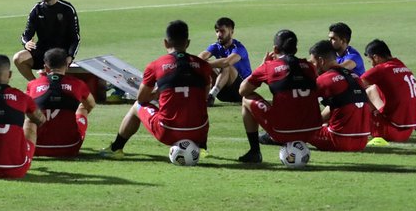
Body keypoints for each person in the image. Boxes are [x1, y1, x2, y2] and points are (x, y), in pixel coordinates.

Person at [104, 20, 211, 158]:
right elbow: (204, 96)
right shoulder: (203, 65)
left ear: (165, 43)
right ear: (188, 43)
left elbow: (141, 98)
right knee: (198, 105)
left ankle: (115, 149)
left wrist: (156, 94)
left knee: (137, 106)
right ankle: (202, 149)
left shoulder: (155, 65)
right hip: (199, 132)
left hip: (168, 132)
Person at [237, 29, 322, 164]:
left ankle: (254, 152)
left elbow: (242, 90)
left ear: (275, 49)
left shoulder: (269, 67)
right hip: (313, 131)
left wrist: (262, 65)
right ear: (295, 49)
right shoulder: (310, 67)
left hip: (283, 131)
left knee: (247, 98)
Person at [26, 47, 95, 157]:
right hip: (70, 147)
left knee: (29, 115)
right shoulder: (78, 84)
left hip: (37, 148)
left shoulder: (33, 84)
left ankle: (25, 151)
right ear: (67, 66)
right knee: (83, 107)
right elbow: (91, 104)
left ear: (45, 68)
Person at [307, 40, 372, 152]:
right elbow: (342, 103)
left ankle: (275, 137)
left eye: (313, 63)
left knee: (298, 127)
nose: (312, 67)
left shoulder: (324, 79)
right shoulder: (354, 76)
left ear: (321, 61)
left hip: (338, 140)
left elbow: (300, 102)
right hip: (362, 142)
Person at [13, 0, 80, 82]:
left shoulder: (67, 9)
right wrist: (26, 43)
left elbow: (75, 38)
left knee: (55, 81)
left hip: (60, 54)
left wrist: (70, 56)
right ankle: (34, 85)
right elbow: (26, 34)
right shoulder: (37, 9)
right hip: (42, 51)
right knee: (18, 58)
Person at [358, 38, 416, 145]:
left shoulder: (381, 69)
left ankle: (328, 123)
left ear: (375, 57)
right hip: (407, 131)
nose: (372, 65)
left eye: (370, 61)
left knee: (355, 96)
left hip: (388, 132)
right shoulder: (402, 66)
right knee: (373, 89)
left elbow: (354, 86)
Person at [200, 16, 251, 106]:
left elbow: (226, 62)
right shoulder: (215, 46)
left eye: (222, 31)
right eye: (217, 31)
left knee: (226, 65)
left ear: (231, 32)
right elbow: (201, 57)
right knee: (206, 65)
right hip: (223, 93)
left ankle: (211, 95)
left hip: (241, 91)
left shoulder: (239, 48)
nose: (219, 34)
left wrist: (202, 64)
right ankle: (205, 97)